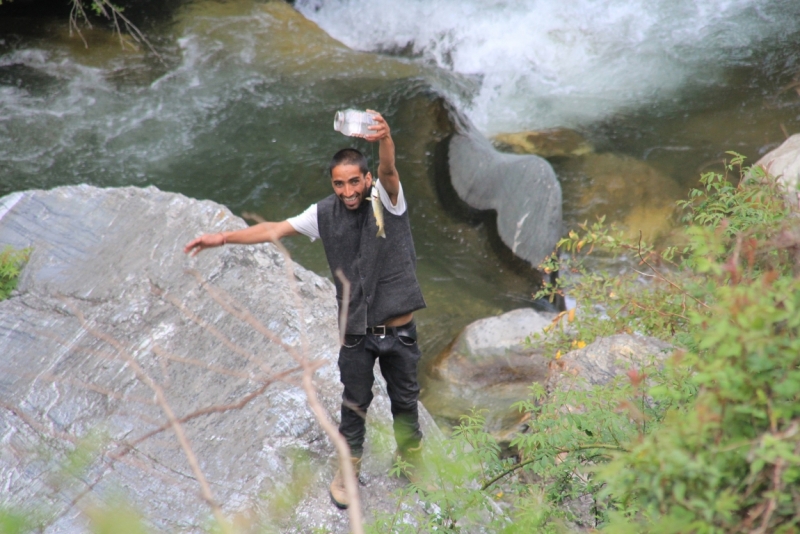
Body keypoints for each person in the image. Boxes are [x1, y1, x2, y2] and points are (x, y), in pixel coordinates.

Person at [184, 111, 427, 510]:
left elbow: (389, 169)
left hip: (399, 333)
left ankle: (411, 459)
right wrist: (223, 237)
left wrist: (385, 139)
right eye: (339, 183)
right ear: (332, 184)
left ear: (366, 179)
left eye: (354, 181)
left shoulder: (387, 199)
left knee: (405, 401)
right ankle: (348, 471)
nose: (348, 191)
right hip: (356, 333)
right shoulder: (323, 214)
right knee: (354, 405)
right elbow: (273, 229)